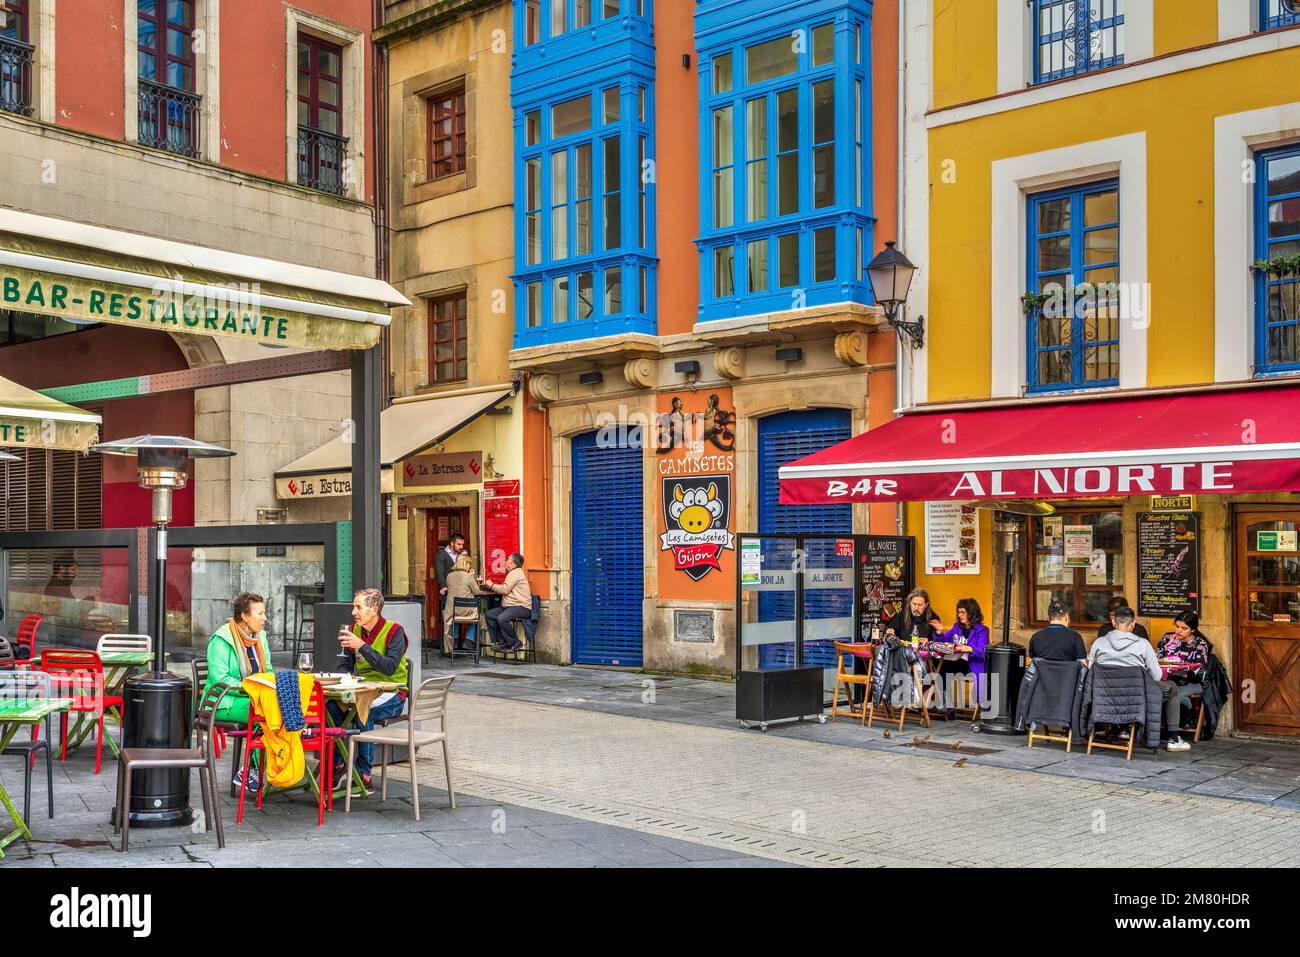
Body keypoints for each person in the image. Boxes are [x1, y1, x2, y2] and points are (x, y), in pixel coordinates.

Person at [331, 588, 410, 787]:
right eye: (353, 606)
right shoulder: (354, 630)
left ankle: (363, 774)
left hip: (392, 693)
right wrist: (343, 678)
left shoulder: (395, 631)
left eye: (358, 607)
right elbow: (346, 665)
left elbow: (390, 668)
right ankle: (337, 765)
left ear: (373, 610)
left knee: (362, 710)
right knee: (331, 707)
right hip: (363, 690)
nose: (353, 612)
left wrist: (362, 646)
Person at [1090, 606, 1189, 752]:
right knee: (1172, 688)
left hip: (1106, 697)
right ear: (1132, 625)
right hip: (1136, 697)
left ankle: (1123, 729)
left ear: (1115, 623)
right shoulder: (1143, 644)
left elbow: (1092, 672)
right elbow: (1157, 676)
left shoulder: (1099, 643)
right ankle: (1173, 739)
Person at [203, 592, 274, 792]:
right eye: (259, 613)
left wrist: (265, 687)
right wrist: (251, 689)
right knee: (268, 711)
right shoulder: (221, 639)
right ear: (244, 615)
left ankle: (259, 768)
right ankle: (254, 768)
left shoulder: (260, 637)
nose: (264, 618)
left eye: (264, 613)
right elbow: (220, 678)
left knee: (278, 708)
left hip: (251, 698)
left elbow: (267, 670)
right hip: (222, 701)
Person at [1155, 609, 1212, 729]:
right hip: (1167, 679)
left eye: (1184, 628)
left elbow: (1200, 672)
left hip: (1192, 681)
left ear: (1192, 630)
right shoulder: (1167, 639)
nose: (1179, 630)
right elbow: (1157, 659)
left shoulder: (1200, 645)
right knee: (1155, 691)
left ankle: (1189, 715)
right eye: (1177, 626)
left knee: (1176, 694)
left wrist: (1183, 671)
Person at [486, 553, 532, 653]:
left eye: (507, 560)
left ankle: (515, 642)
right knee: (489, 615)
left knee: (502, 618)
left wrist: (491, 585)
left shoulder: (515, 573)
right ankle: (502, 641)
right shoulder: (514, 573)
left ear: (511, 562)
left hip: (521, 607)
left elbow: (505, 589)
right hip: (510, 606)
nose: (505, 562)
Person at [936, 598, 990, 683]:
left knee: (945, 668)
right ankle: (944, 694)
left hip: (972, 664)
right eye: (958, 612)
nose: (959, 615)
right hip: (955, 660)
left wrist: (969, 649)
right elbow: (943, 640)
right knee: (938, 665)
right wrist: (939, 632)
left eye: (963, 612)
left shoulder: (982, 630)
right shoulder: (957, 626)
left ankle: (944, 694)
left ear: (972, 613)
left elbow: (983, 651)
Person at [443, 552, 481, 653]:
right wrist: (473, 577)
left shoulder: (449, 576)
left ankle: (454, 641)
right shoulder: (469, 577)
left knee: (455, 617)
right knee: (477, 616)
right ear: (465, 564)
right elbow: (477, 591)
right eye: (469, 563)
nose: (470, 566)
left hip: (452, 611)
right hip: (466, 610)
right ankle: (468, 640)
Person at [435, 533, 467, 599]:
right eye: (459, 544)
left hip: (462, 590)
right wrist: (443, 586)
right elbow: (440, 573)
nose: (461, 547)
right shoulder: (441, 555)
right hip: (449, 590)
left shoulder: (462, 554)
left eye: (462, 544)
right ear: (452, 543)